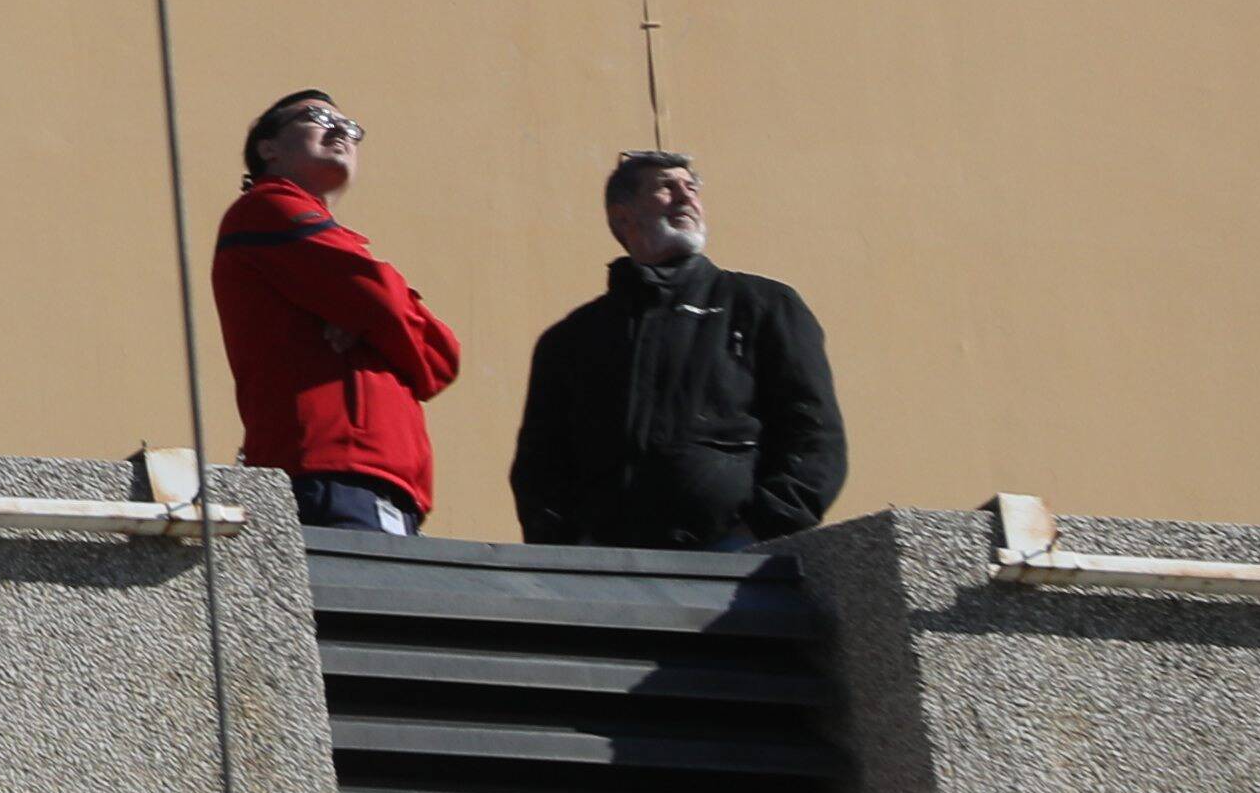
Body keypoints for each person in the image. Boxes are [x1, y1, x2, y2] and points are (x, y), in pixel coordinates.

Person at [508, 147, 848, 549]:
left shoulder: (762, 306)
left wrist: (759, 531)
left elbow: (814, 434)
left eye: (692, 188)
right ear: (622, 216)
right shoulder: (572, 340)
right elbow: (539, 465)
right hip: (603, 573)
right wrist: (563, 549)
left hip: (738, 560)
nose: (687, 198)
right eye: (666, 188)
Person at [213, 89, 464, 533]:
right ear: (268, 148)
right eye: (317, 118)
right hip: (330, 472)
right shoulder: (266, 208)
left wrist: (370, 319)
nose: (340, 132)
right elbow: (384, 302)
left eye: (350, 128)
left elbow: (440, 357)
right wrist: (377, 317)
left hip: (380, 481)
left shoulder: (330, 242)